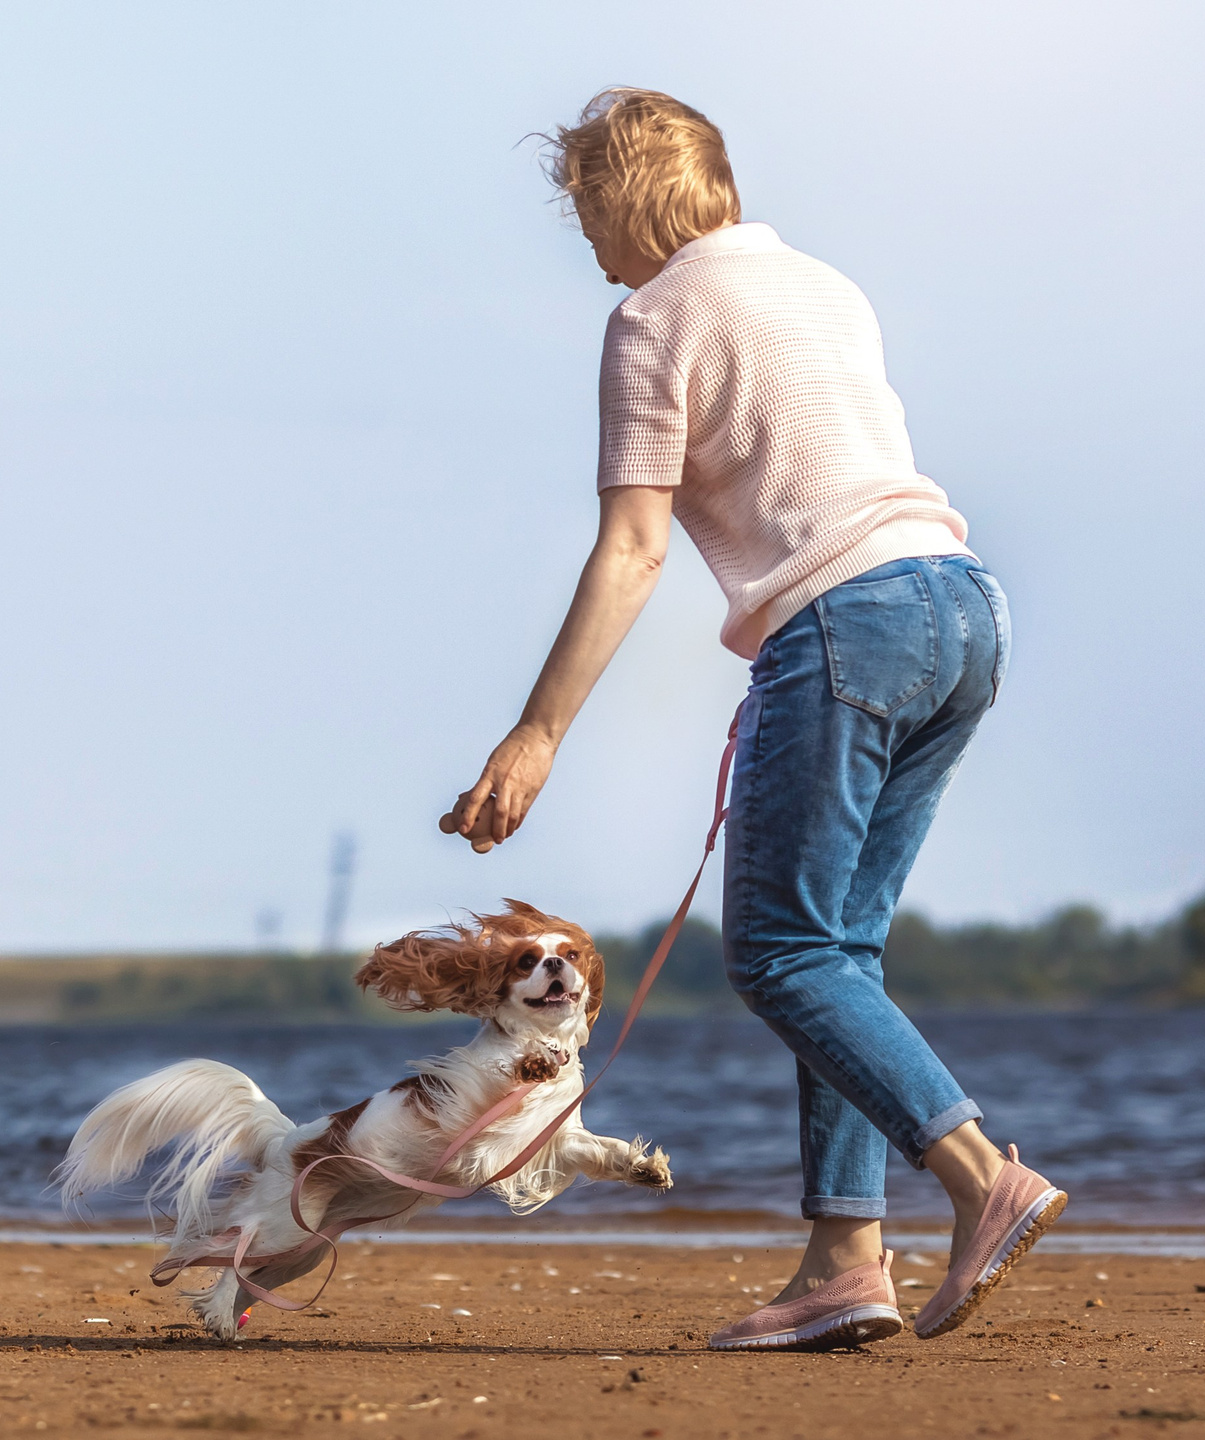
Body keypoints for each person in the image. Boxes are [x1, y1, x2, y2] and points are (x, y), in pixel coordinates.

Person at [437, 88, 1066, 1351]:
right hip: (963, 608)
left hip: (846, 628)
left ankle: (976, 1175)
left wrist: (536, 732)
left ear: (621, 200)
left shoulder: (651, 317)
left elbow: (632, 548)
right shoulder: (827, 287)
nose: (589, 246)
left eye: (585, 216)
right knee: (842, 955)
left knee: (779, 954)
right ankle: (845, 1263)